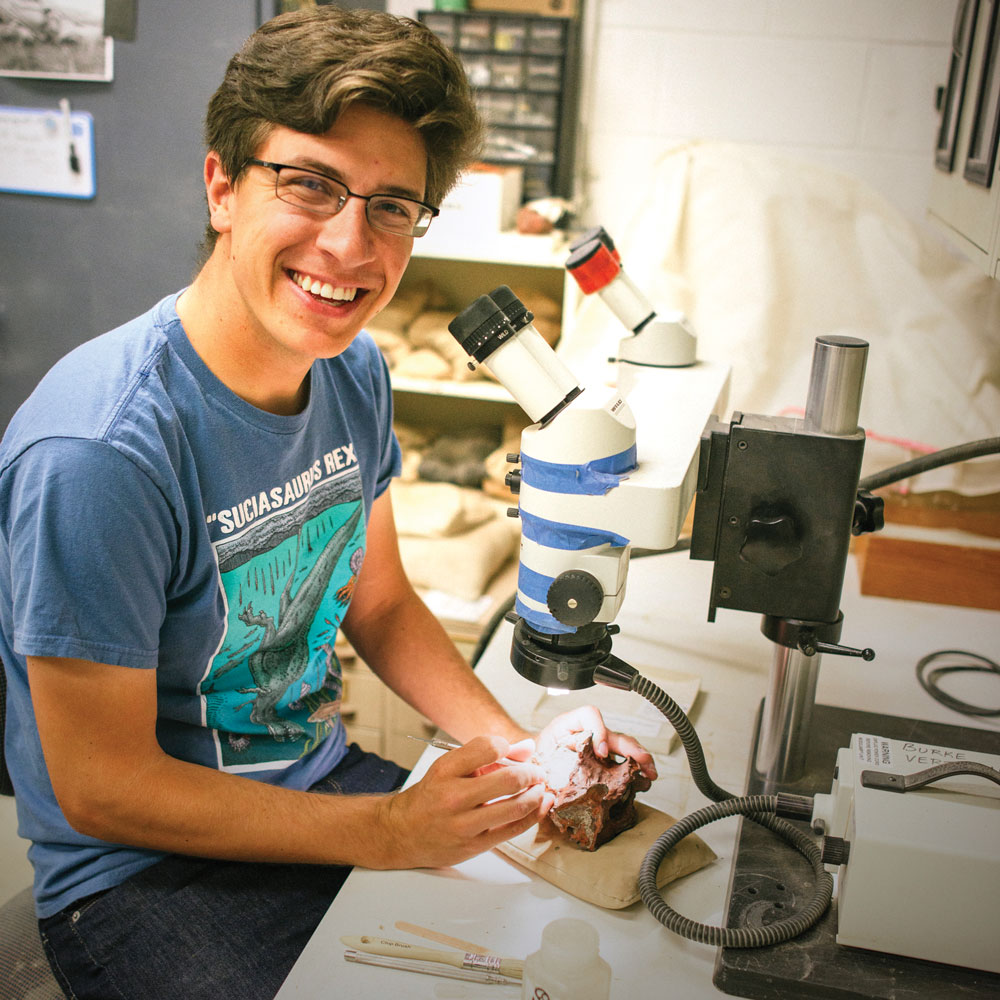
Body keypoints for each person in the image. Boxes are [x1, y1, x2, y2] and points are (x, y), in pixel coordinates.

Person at [0, 8, 655, 999]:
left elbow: (380, 603)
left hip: (317, 780)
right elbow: (103, 788)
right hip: (141, 873)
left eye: (392, 205)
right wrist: (386, 830)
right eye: (309, 184)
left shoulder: (350, 374)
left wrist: (526, 747)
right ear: (222, 184)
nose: (350, 243)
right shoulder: (101, 451)